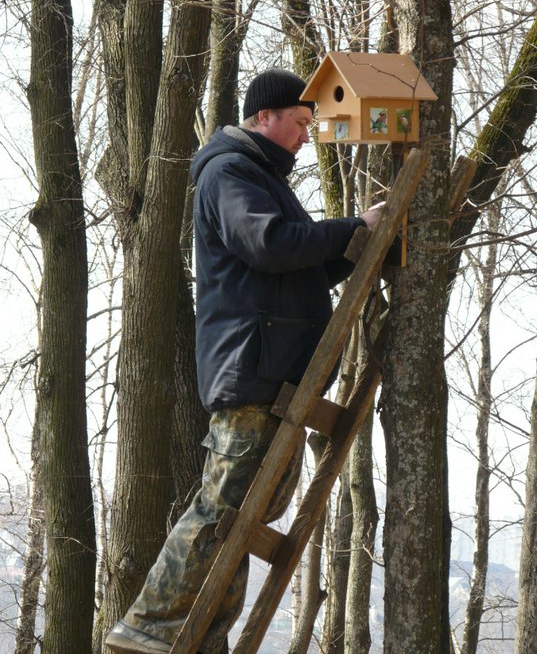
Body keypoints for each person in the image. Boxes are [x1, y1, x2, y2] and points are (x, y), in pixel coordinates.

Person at [106, 69, 383, 654]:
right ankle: (148, 630)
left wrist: (356, 245)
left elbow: (294, 262)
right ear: (265, 118)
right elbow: (270, 243)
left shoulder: (258, 177)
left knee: (248, 517)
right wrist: (353, 229)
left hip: (269, 369)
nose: (307, 136)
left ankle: (202, 638)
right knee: (224, 508)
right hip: (251, 368)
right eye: (301, 123)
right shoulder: (230, 172)